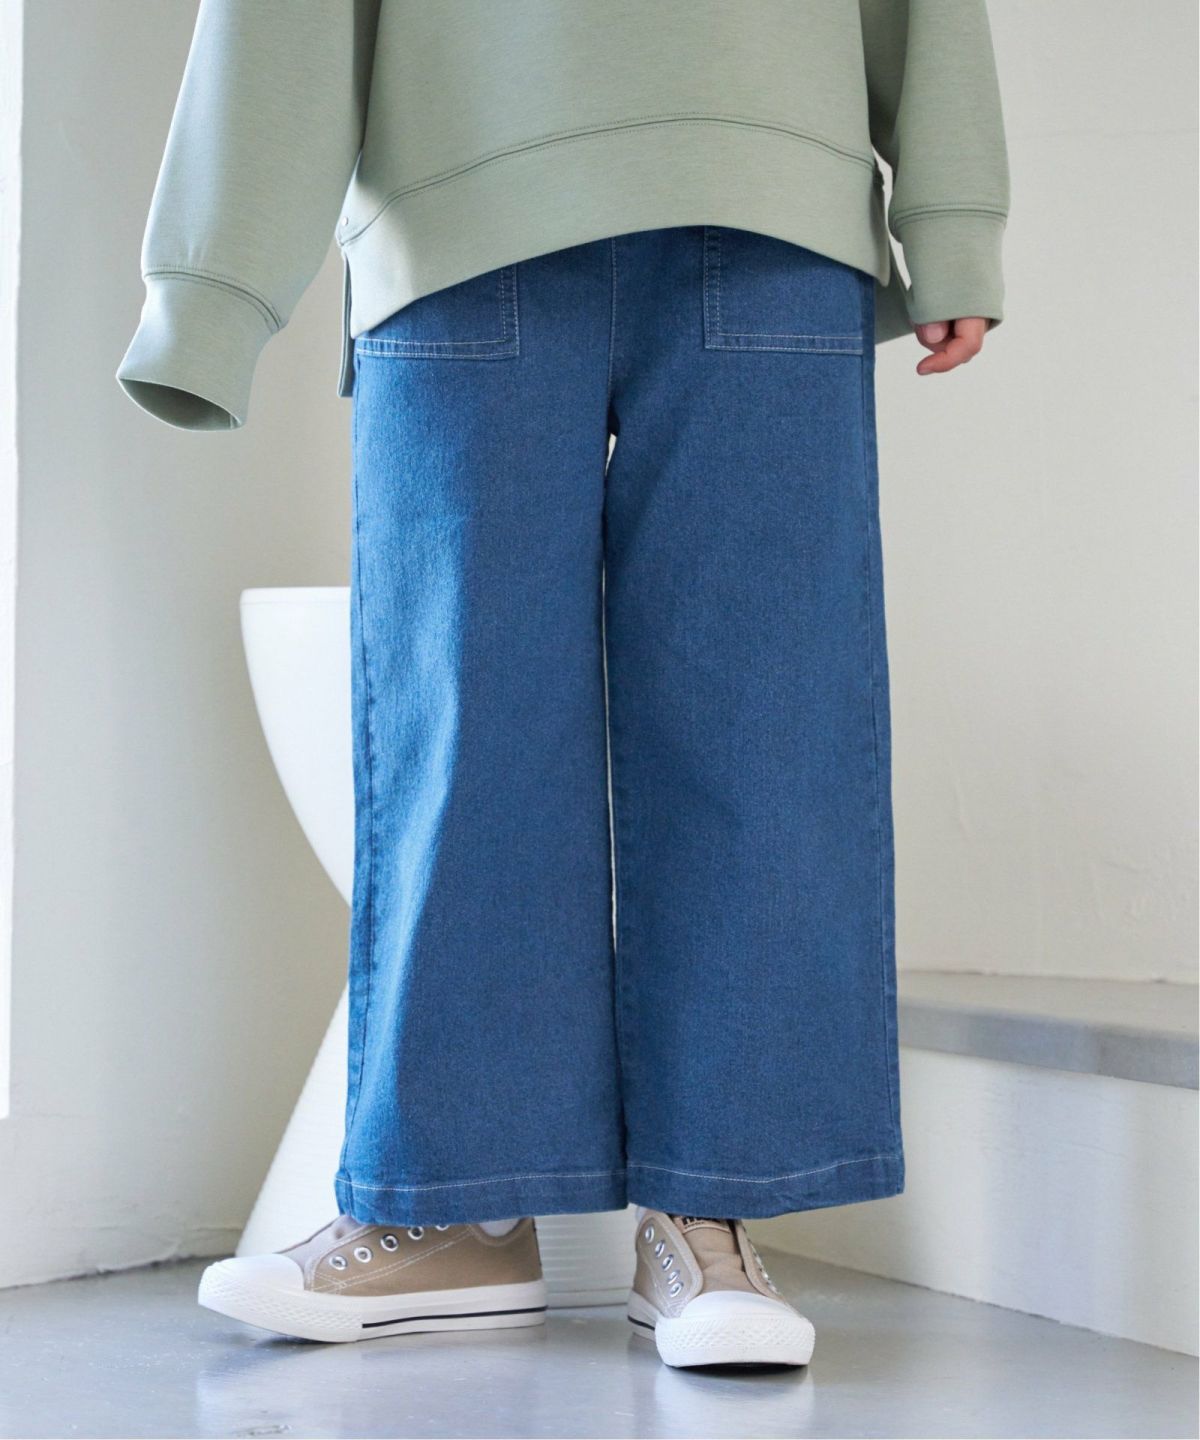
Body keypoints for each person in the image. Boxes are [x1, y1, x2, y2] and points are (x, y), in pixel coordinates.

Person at [116, 0, 1009, 1370]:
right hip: (458, 208)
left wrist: (954, 216)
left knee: (762, 723)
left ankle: (707, 1218)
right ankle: (455, 1210)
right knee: (468, 726)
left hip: (768, 200)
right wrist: (210, 290)